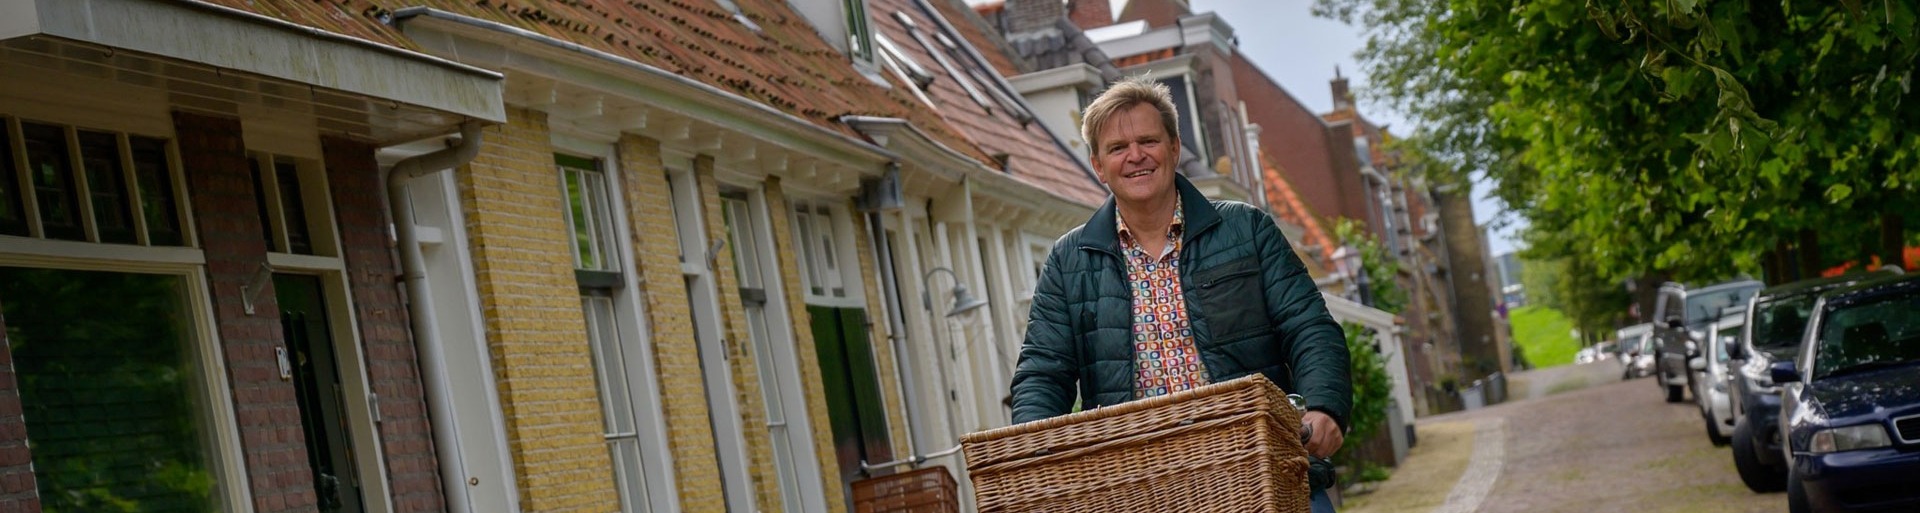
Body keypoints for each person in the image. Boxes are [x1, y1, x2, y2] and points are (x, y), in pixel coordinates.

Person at [1009, 77, 1353, 512]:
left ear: (1173, 147)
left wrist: (1324, 405)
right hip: (1141, 490)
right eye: (1117, 148)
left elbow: (1309, 328)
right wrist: (1033, 453)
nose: (1135, 156)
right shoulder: (1067, 262)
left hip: (1267, 469)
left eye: (1148, 140)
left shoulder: (1246, 229)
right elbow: (1043, 372)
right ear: (1098, 166)